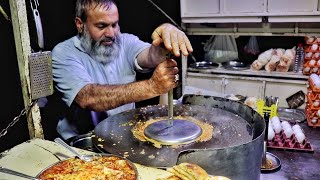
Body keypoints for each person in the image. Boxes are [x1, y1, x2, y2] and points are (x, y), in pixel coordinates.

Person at [51, 0, 193, 140]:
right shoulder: (63, 53)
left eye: (114, 24)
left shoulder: (124, 41)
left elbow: (151, 56)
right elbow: (88, 98)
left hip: (123, 136)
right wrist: (152, 87)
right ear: (80, 24)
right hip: (82, 144)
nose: (111, 33)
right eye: (101, 26)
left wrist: (166, 34)